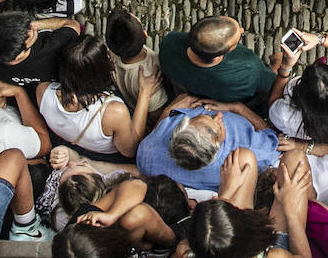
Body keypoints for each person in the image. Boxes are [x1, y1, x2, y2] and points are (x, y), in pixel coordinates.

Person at [36, 34, 153, 159]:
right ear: (101, 70)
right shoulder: (113, 112)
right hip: (103, 156)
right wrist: (144, 95)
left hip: (73, 142)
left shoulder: (43, 91)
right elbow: (130, 150)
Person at [135, 95, 280, 192]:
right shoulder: (252, 153)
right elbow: (272, 137)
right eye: (218, 127)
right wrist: (238, 108)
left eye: (201, 116)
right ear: (216, 148)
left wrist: (168, 111)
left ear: (179, 128)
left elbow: (153, 138)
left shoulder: (148, 157)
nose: (219, 115)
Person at [157, 15, 276, 109]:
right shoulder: (248, 70)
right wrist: (277, 66)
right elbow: (269, 83)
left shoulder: (169, 42)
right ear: (226, 51)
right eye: (237, 39)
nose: (242, 30)